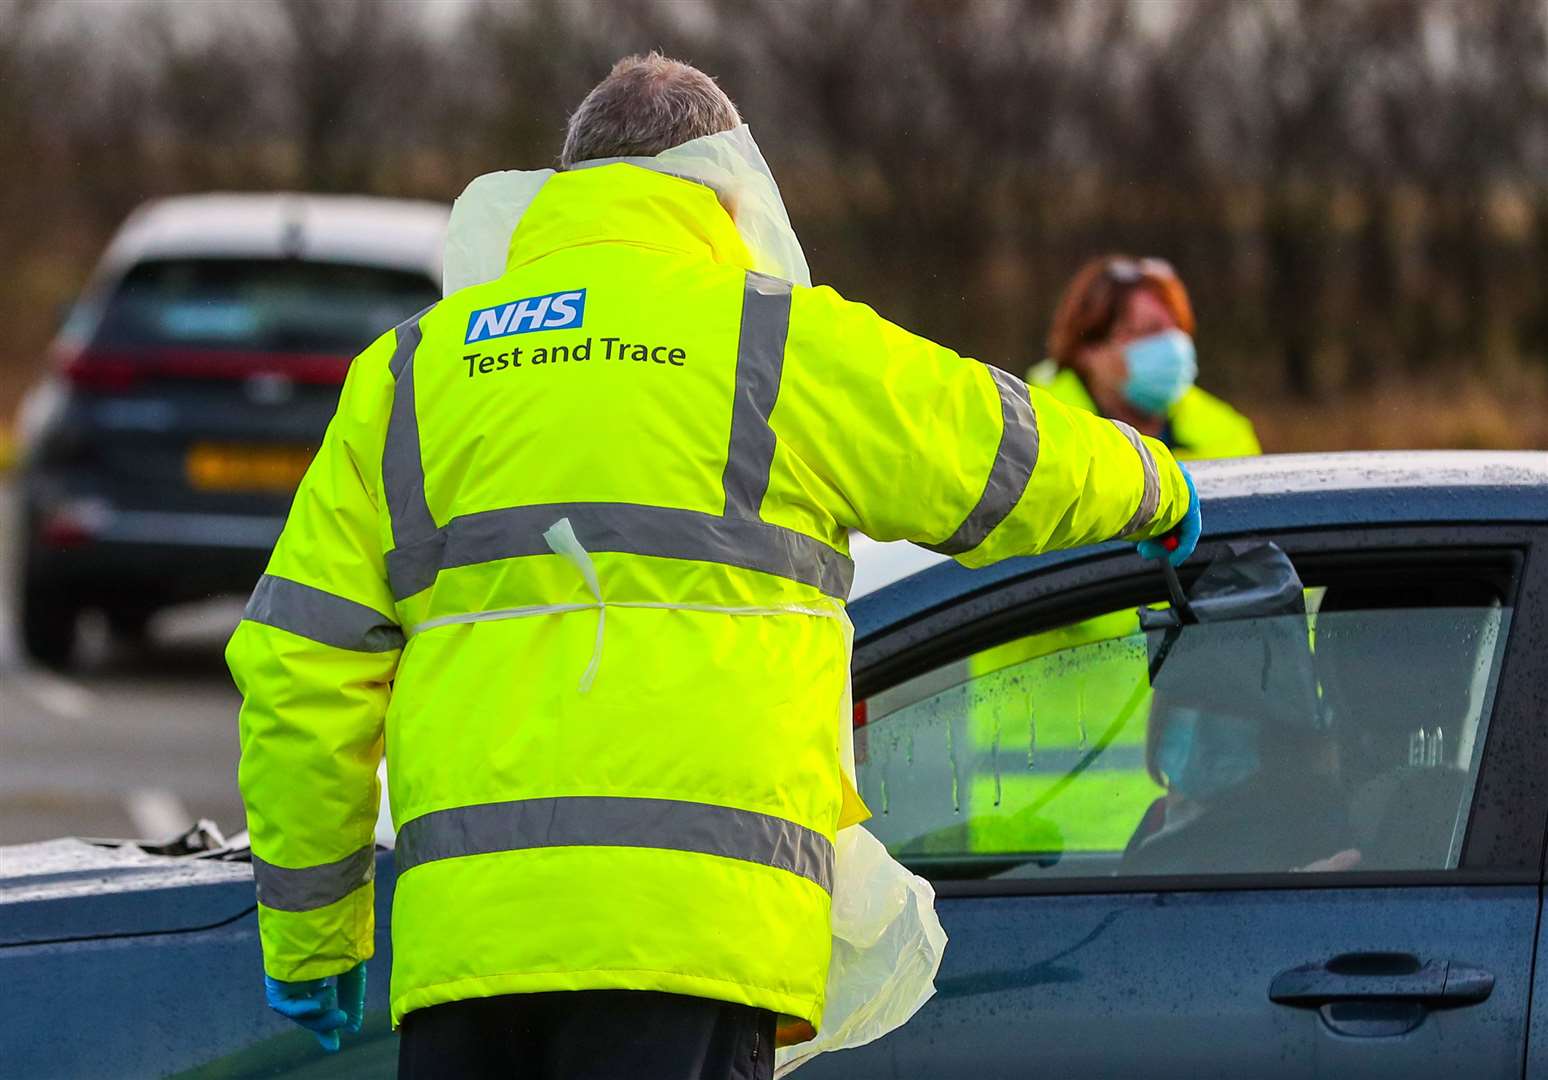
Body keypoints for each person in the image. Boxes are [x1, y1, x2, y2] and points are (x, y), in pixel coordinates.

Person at [228, 53, 1201, 1080]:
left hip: (471, 953)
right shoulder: (777, 340)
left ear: (564, 188)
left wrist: (313, 933)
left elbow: (300, 665)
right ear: (726, 187)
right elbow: (997, 452)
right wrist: (1156, 484)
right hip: (695, 942)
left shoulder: (411, 372)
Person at [1027, 256, 1261, 460]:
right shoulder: (1036, 432)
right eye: (1149, 330)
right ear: (1088, 350)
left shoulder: (1227, 435)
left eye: (1178, 328)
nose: (1172, 345)